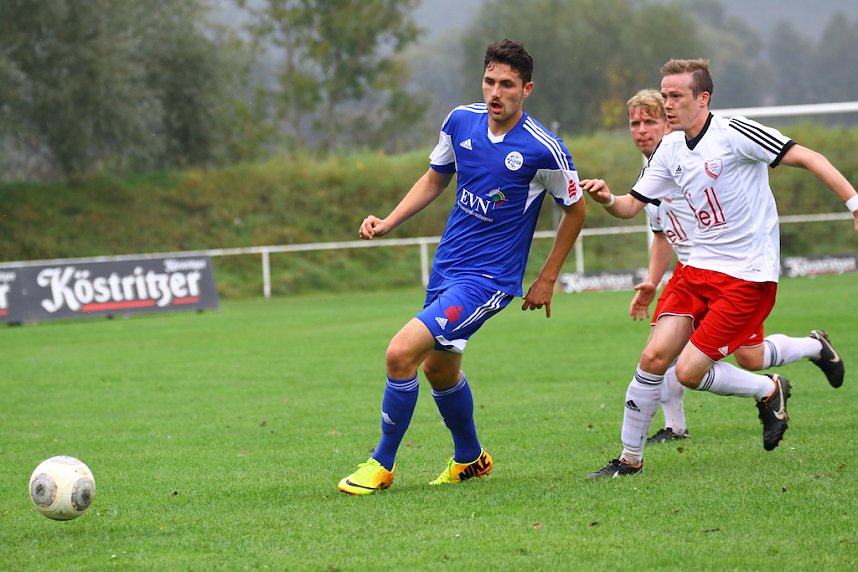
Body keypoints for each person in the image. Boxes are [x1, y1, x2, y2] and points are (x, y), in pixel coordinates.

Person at [581, 59, 858, 478]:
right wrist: (605, 197)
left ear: (702, 98)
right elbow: (629, 207)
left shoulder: (734, 132)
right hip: (697, 272)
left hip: (747, 277)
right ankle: (628, 461)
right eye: (665, 95)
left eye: (676, 96)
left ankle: (770, 389)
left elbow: (809, 157)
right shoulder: (669, 150)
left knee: (693, 371)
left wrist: (853, 202)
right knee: (655, 357)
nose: (667, 104)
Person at [338, 39, 587, 495]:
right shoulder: (460, 121)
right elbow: (436, 176)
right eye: (490, 81)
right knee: (439, 370)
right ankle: (470, 458)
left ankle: (382, 463)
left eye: (507, 85)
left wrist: (547, 277)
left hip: (489, 280)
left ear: (526, 89)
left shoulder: (544, 150)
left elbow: (575, 209)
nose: (496, 92)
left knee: (400, 353)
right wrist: (389, 220)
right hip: (448, 267)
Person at [623, 89, 845, 445]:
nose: (642, 130)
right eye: (635, 123)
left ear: (670, 123)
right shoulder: (652, 174)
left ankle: (810, 350)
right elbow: (662, 234)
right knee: (659, 352)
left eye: (651, 121)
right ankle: (674, 426)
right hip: (692, 274)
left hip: (734, 273)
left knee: (751, 358)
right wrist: (652, 280)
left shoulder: (698, 156)